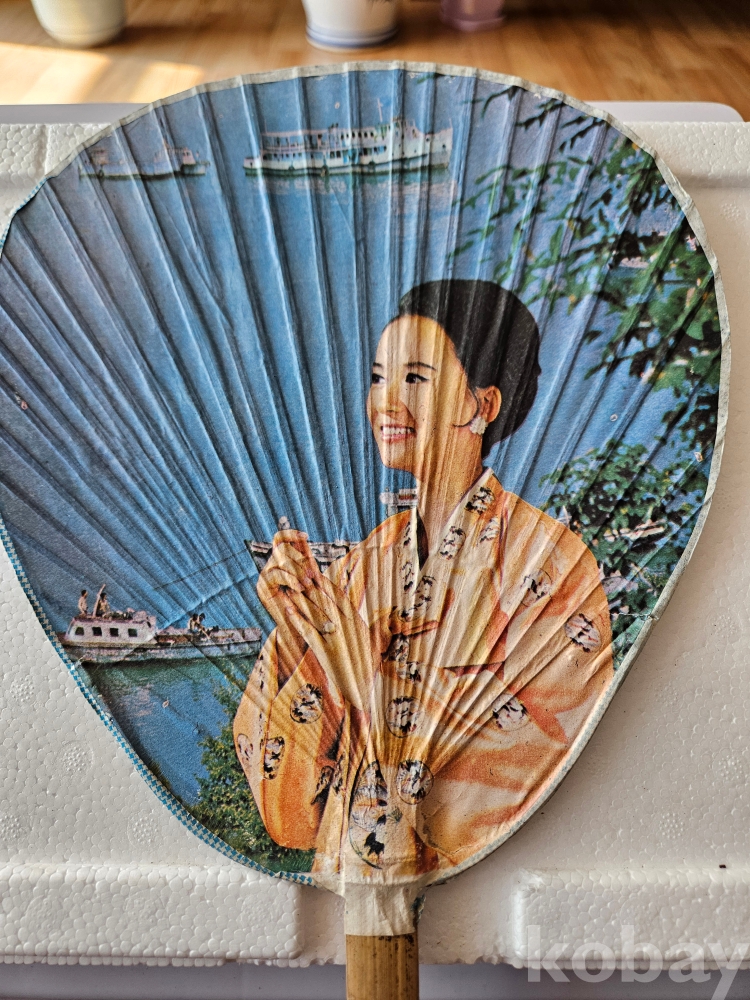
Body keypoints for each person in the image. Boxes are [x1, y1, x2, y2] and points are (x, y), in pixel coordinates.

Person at [234, 279, 613, 885]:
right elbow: (290, 821)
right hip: (346, 886)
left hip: (482, 889)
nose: (385, 401)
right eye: (378, 377)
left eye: (414, 378)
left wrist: (365, 678)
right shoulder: (359, 568)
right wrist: (304, 636)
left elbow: (531, 787)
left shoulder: (555, 566)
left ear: (482, 406)